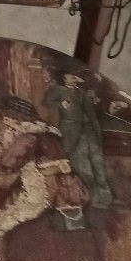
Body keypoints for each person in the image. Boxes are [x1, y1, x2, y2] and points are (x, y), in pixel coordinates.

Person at [44, 71, 114, 209]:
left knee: (98, 164)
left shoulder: (82, 92)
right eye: (71, 76)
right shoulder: (59, 90)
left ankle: (106, 197)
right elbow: (47, 101)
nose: (74, 78)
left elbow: (91, 113)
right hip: (72, 133)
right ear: (63, 78)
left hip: (89, 131)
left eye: (75, 76)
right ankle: (91, 199)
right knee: (83, 167)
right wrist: (61, 103)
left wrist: (95, 127)